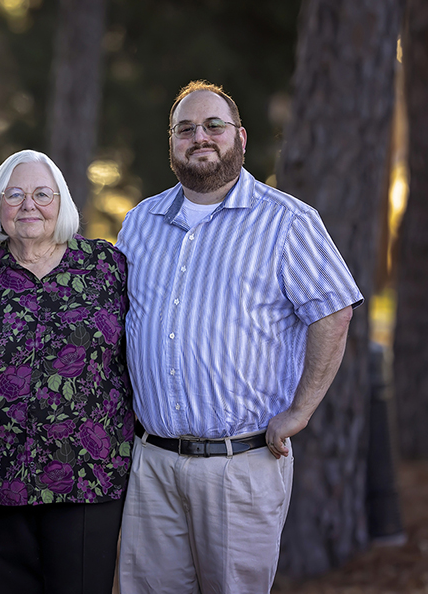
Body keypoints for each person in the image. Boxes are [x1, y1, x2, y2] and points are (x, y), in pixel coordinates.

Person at [114, 81, 363, 593]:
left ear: (241, 138)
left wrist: (301, 411)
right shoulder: (140, 222)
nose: (199, 137)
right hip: (152, 464)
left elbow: (333, 312)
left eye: (213, 126)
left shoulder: (287, 221)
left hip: (240, 465)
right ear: (172, 144)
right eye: (185, 129)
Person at [0, 149, 135, 594]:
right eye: (15, 195)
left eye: (42, 194)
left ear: (62, 201)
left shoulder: (106, 267)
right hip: (1, 478)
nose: (29, 205)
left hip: (89, 480)